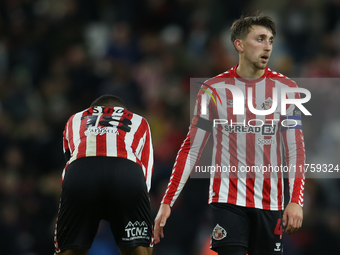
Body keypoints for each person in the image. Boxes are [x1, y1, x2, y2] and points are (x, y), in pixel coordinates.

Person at [154, 14, 306, 255]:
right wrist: (167, 201)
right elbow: (192, 148)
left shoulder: (287, 89)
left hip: (272, 202)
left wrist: (296, 200)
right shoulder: (213, 90)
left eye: (271, 40)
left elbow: (295, 149)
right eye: (260, 39)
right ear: (239, 45)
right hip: (227, 201)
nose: (267, 46)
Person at [54, 95, 154, 255]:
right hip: (126, 172)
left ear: (92, 109)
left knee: (68, 249)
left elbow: (69, 165)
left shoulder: (74, 119)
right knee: (140, 250)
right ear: (123, 111)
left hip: (81, 171)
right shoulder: (140, 121)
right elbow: (145, 173)